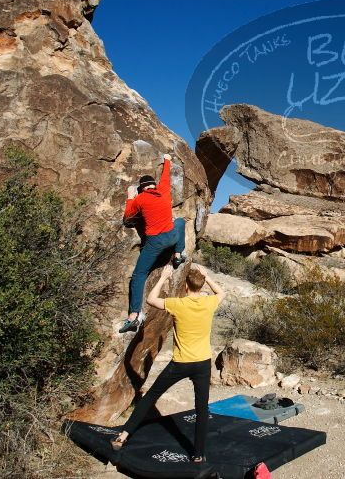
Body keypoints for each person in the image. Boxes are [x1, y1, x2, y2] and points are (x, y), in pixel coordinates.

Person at [110, 263, 225, 467]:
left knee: (150, 396)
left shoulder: (178, 304)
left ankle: (123, 436)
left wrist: (163, 277)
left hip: (180, 363)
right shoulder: (209, 302)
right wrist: (207, 277)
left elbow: (150, 299)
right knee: (201, 408)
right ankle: (198, 454)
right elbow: (221, 292)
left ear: (186, 287)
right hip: (202, 363)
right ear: (200, 286)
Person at [120, 153, 187, 333]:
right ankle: (179, 254)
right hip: (172, 237)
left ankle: (134, 315)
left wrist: (130, 197)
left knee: (139, 275)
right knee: (180, 221)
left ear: (142, 189)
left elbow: (127, 218)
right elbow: (166, 176)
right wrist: (167, 159)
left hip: (155, 242)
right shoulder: (163, 190)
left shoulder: (140, 198)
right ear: (154, 185)